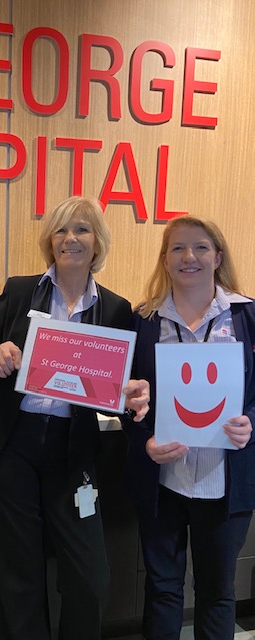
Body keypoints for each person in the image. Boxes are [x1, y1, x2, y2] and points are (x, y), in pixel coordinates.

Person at [0, 195, 149, 640]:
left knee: (90, 575)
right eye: (61, 230)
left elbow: (118, 389)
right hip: (10, 444)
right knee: (20, 573)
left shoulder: (115, 309)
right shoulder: (18, 290)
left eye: (82, 230)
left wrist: (129, 396)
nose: (71, 239)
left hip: (73, 450)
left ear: (97, 242)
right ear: (50, 241)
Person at [121, 215, 255, 640]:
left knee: (217, 592)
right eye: (177, 248)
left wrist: (253, 425)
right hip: (164, 481)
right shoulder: (141, 321)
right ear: (164, 259)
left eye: (200, 247)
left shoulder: (248, 316)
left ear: (218, 256)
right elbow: (124, 400)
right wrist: (143, 441)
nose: (189, 256)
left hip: (225, 481)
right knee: (162, 590)